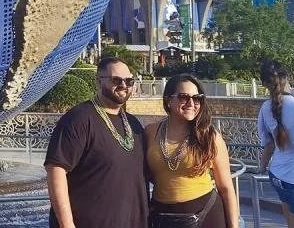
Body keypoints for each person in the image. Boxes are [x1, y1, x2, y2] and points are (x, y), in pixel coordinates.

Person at [45, 56, 148, 228]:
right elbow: (56, 170)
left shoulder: (134, 124)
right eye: (116, 80)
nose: (123, 85)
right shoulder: (79, 119)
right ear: (99, 82)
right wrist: (67, 224)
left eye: (129, 81)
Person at [145, 74, 239, 228]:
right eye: (183, 97)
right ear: (169, 100)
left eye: (197, 98)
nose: (191, 103)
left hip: (205, 215)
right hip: (162, 217)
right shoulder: (151, 132)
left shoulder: (209, 136)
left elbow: (226, 187)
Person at [258, 59, 294, 226]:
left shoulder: (266, 108)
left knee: (291, 223)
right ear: (287, 77)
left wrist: (261, 167)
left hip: (278, 177)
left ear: (264, 84)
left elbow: (269, 145)